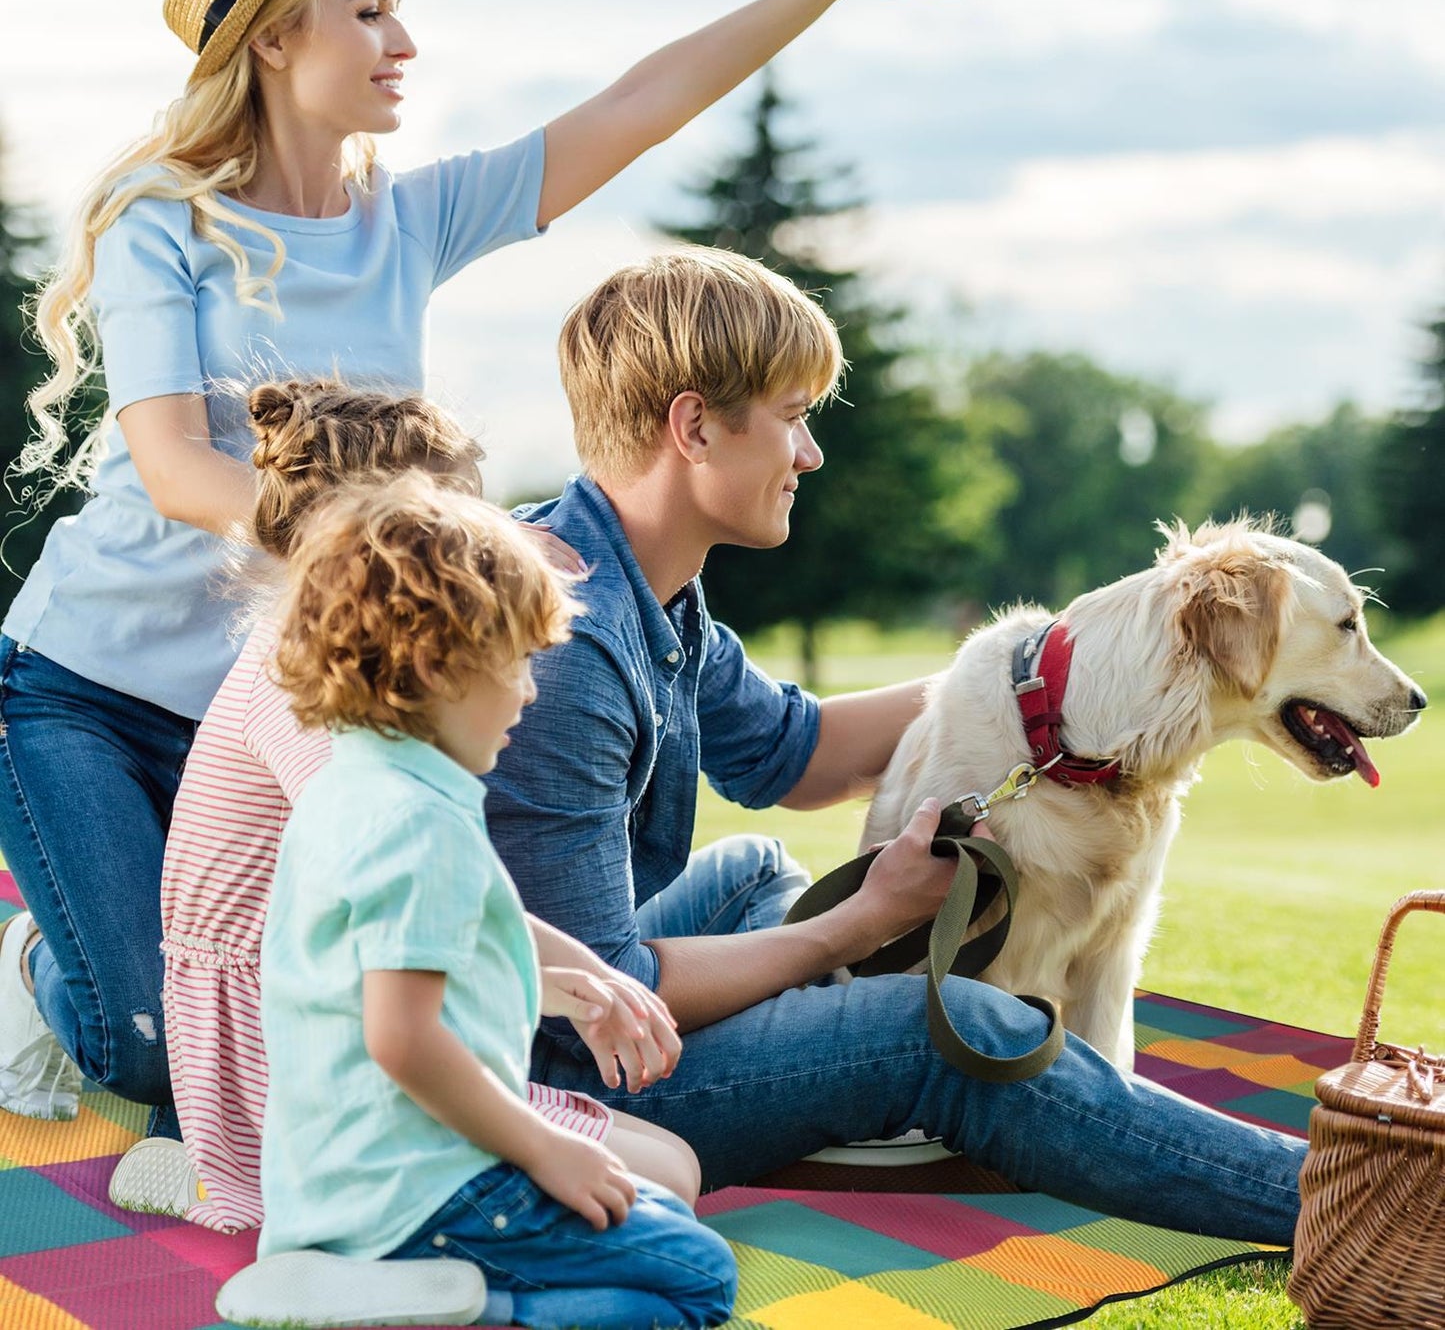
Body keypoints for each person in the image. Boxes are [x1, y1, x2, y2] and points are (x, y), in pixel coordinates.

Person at [0, 0, 1002, 1125]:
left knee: (285, 1027)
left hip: (262, 710)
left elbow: (636, 106)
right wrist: (428, 551)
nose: (403, 45)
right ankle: (38, 968)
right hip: (86, 690)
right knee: (142, 1038)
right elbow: (174, 469)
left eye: (398, 11)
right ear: (272, 37)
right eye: (368, 14)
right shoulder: (167, 218)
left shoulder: (407, 223)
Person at [481, 246, 1309, 1246]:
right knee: (951, 1028)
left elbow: (794, 753)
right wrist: (852, 926)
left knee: (754, 869)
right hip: (557, 1076)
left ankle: (836, 1063)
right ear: (693, 426)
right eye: (792, 417)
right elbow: (592, 1001)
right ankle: (1350, 1198)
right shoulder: (567, 648)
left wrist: (1041, 674)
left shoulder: (643, 584)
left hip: (580, 1004)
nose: (810, 454)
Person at [107, 379, 694, 1235]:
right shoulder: (318, 700)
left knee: (670, 1163)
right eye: (461, 522)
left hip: (332, 1003)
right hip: (298, 1053)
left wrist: (592, 979)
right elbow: (412, 888)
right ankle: (223, 1166)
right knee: (667, 1179)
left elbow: (440, 896)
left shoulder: (321, 654)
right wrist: (573, 984)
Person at [216, 473, 735, 1330]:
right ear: (435, 663)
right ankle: (448, 1305)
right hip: (423, 1189)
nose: (530, 694)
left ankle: (409, 1293)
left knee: (657, 1222)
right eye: (518, 664)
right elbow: (402, 1035)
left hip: (345, 1186)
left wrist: (577, 982)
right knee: (696, 1273)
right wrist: (544, 1147)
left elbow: (460, 922)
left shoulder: (361, 780)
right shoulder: (417, 821)